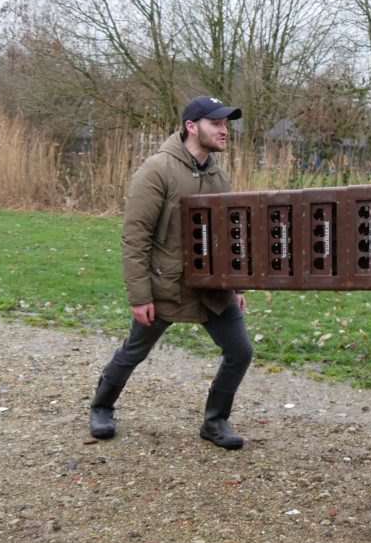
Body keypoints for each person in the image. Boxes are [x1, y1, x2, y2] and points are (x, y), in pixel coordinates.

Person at [88, 96, 253, 449]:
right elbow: (136, 238)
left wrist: (237, 285)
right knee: (135, 351)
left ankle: (215, 422)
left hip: (212, 288)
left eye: (226, 124)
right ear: (191, 126)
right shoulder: (156, 169)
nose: (224, 131)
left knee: (240, 351)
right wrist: (140, 296)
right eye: (216, 123)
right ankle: (101, 407)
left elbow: (228, 236)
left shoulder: (219, 176)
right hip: (166, 286)